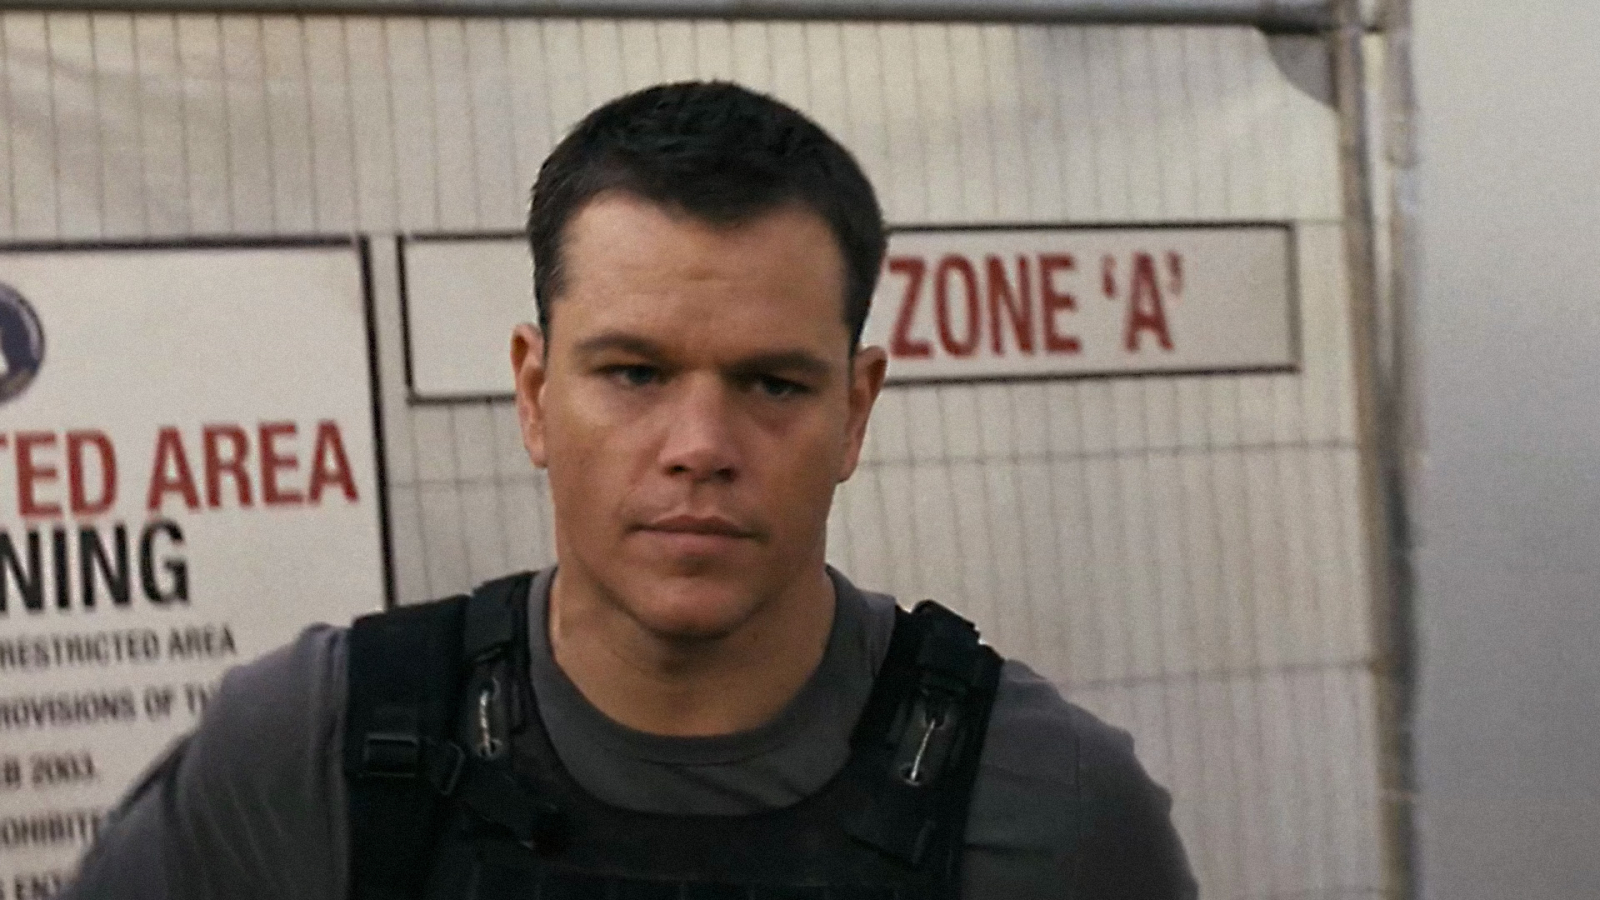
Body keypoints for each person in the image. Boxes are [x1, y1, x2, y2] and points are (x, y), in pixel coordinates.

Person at [62, 81, 1197, 900]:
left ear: (855, 409)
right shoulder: (312, 758)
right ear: (533, 391)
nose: (699, 446)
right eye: (635, 373)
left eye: (772, 383)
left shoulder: (1052, 808)